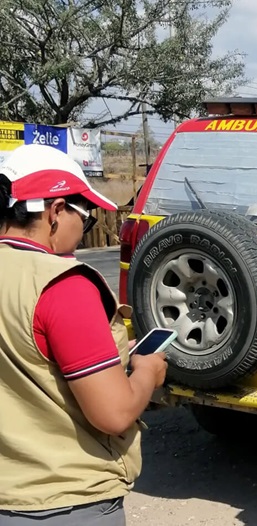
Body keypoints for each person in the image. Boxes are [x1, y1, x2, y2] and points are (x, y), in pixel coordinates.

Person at [0, 145, 168, 525]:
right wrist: (146, 371)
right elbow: (114, 414)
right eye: (86, 217)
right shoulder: (62, 286)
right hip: (62, 502)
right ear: (55, 211)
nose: (84, 229)